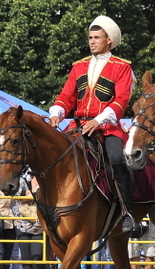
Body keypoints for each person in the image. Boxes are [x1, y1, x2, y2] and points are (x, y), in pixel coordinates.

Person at [49, 16, 136, 233]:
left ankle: (127, 212)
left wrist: (98, 120)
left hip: (107, 127)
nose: (92, 41)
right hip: (78, 126)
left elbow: (121, 100)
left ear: (109, 40)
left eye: (97, 37)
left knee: (116, 158)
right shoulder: (78, 67)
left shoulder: (122, 67)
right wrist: (57, 112)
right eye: (90, 37)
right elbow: (66, 96)